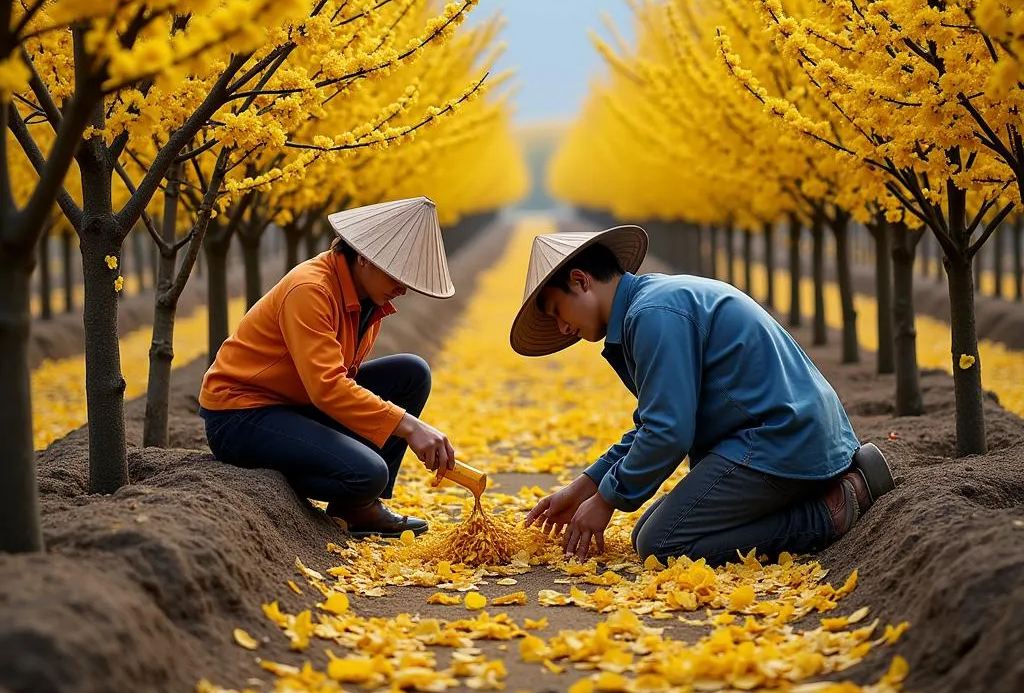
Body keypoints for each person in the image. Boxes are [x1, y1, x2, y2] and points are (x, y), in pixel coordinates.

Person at [512, 226, 895, 565]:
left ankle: (834, 508)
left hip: (780, 438)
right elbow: (653, 423)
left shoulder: (652, 314)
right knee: (646, 528)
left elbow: (668, 431)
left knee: (661, 543)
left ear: (580, 281)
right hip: (784, 435)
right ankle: (812, 491)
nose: (562, 328)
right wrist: (585, 487)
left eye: (558, 311)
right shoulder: (650, 305)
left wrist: (607, 500)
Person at [198, 196, 457, 538]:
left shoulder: (369, 299)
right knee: (368, 473)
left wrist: (399, 424)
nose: (403, 289)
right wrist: (409, 427)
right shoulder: (311, 290)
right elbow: (327, 387)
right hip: (241, 414)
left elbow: (338, 381)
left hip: (296, 403)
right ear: (366, 257)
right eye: (398, 274)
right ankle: (349, 491)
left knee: (411, 373)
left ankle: (356, 505)